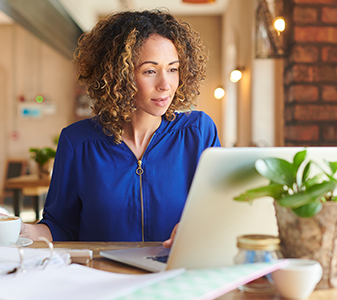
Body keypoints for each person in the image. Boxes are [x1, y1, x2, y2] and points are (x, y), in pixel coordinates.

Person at [19, 9, 221, 246]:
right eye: (150, 71)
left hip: (176, 275)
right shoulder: (77, 142)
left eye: (173, 69)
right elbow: (61, 226)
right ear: (119, 76)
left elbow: (222, 209)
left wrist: (200, 227)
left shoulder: (198, 132)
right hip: (104, 278)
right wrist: (24, 232)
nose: (165, 84)